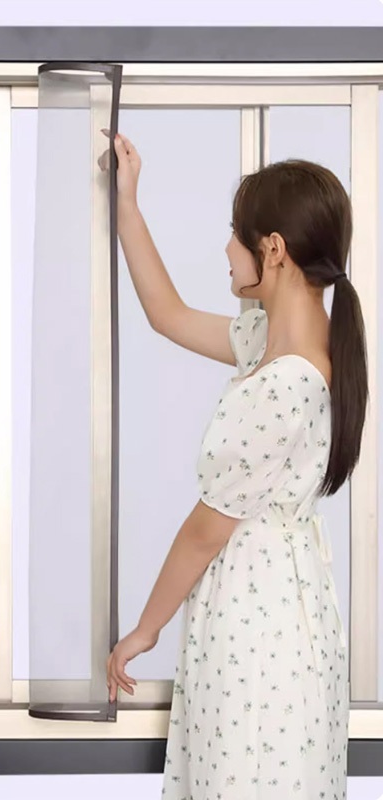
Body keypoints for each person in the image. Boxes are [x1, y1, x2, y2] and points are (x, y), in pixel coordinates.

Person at [99, 130, 367, 799]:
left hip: (259, 626)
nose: (225, 249)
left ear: (272, 250)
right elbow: (167, 315)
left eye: (234, 235)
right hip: (275, 610)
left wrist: (145, 630)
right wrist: (128, 204)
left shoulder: (285, 383)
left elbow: (205, 530)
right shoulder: (278, 343)